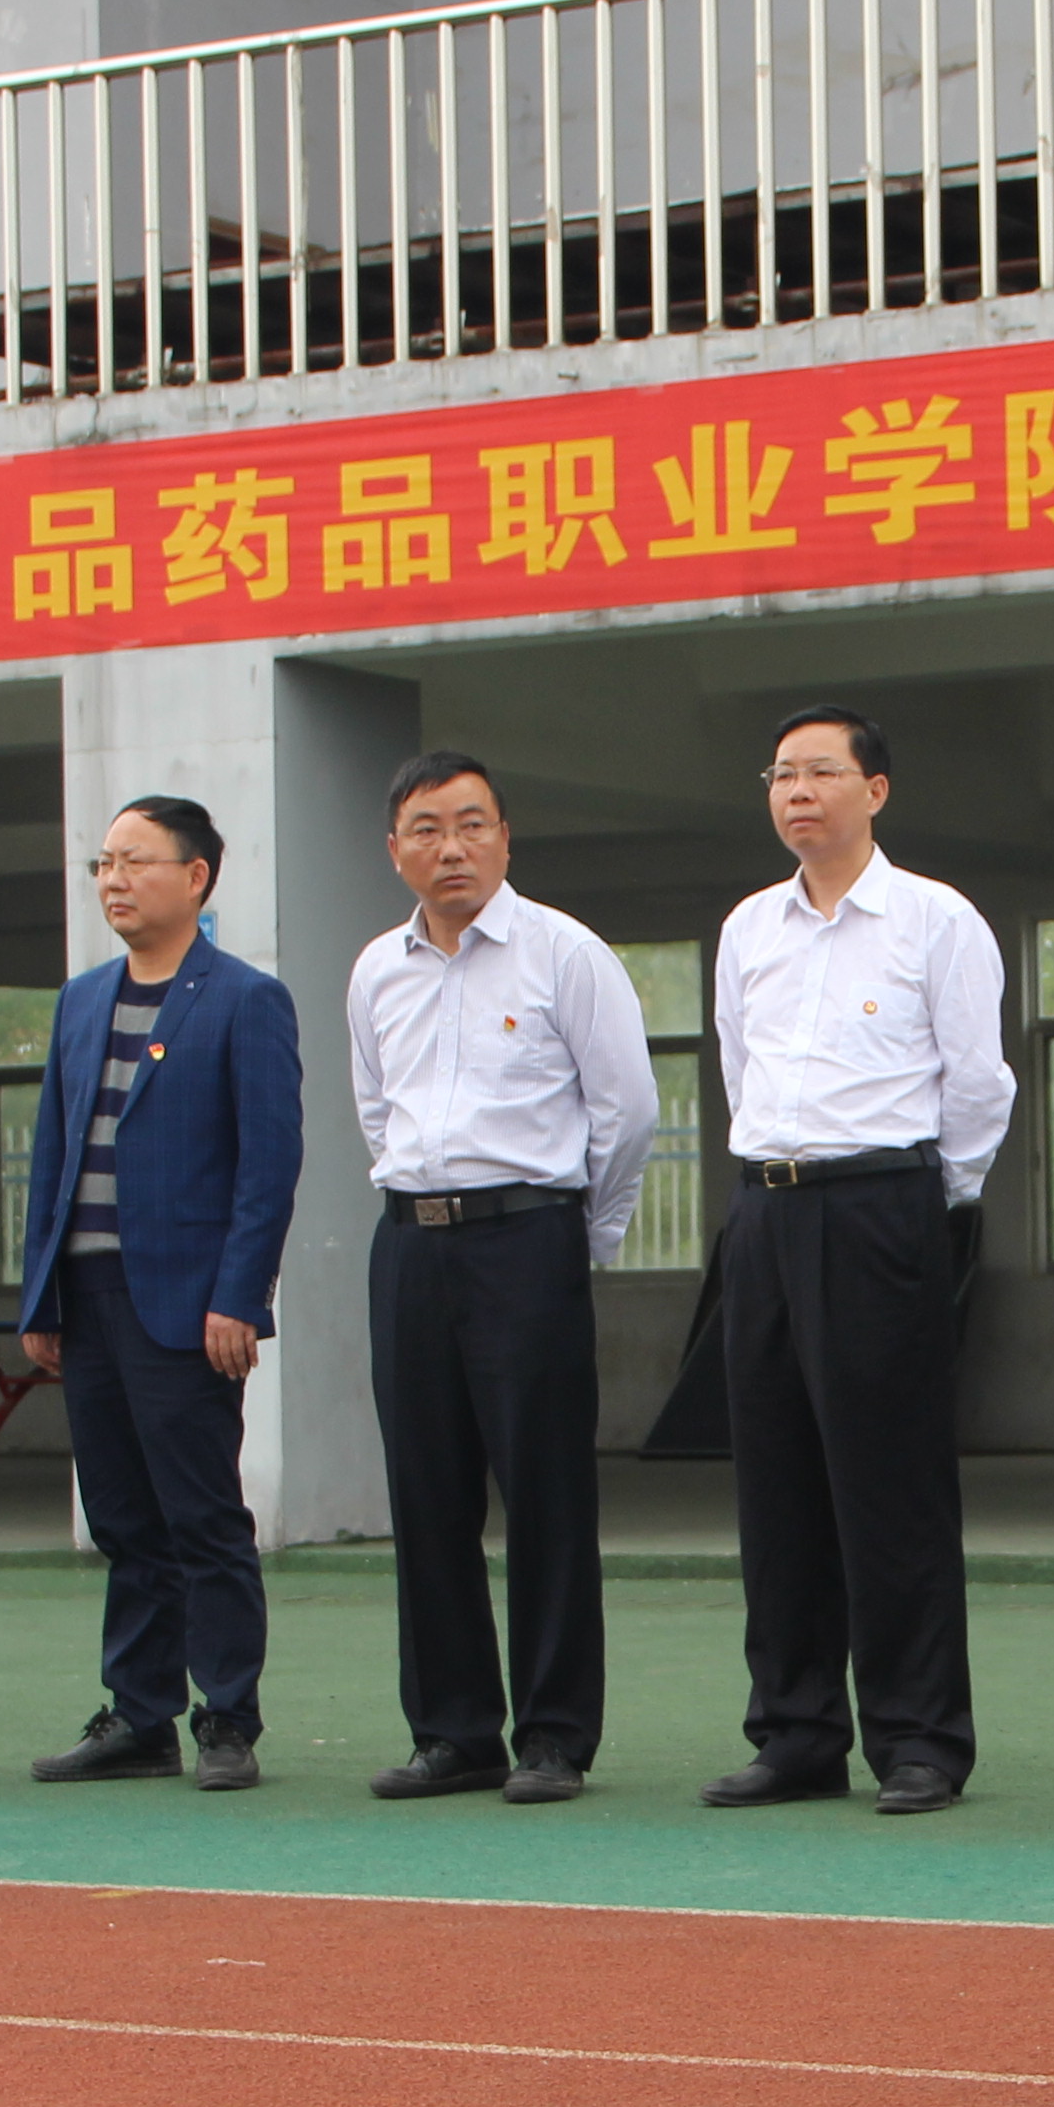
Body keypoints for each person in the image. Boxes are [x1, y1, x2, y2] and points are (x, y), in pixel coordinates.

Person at [704, 707, 1014, 1814]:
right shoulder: (750, 927)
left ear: (875, 791)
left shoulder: (935, 919)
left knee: (892, 1488)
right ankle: (795, 1733)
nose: (798, 792)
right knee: (775, 1486)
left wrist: (925, 1205)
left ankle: (919, 1737)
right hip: (765, 1212)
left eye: (822, 772)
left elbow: (978, 1086)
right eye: (781, 774)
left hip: (884, 1209)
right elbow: (738, 1071)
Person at [346, 752, 648, 1805]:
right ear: (395, 850)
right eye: (428, 829)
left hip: (527, 1241)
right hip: (409, 1247)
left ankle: (555, 1736)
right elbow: (375, 1109)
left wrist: (579, 1236)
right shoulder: (376, 970)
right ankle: (453, 1731)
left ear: (506, 839)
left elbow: (626, 1112)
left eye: (473, 825)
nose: (453, 848)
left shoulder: (565, 954)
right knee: (425, 1493)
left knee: (545, 1494)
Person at [15, 795, 300, 1793]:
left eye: (136, 861)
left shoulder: (244, 1000)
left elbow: (268, 1165)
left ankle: (227, 1717)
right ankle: (139, 1717)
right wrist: (41, 1298)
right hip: (88, 1295)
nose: (115, 880)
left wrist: (240, 1296)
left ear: (197, 876)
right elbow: (52, 1155)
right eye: (104, 863)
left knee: (201, 1516)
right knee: (123, 1519)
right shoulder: (81, 1000)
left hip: (188, 1303)